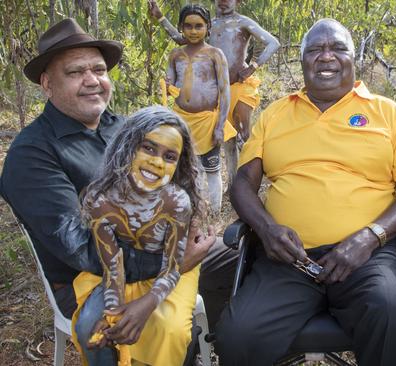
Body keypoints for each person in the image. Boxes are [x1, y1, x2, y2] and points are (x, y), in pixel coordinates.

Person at [0, 17, 236, 352]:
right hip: (94, 280)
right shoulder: (32, 154)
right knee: (138, 329)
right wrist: (172, 263)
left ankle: (215, 344)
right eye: (75, 72)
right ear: (47, 84)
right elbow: (80, 248)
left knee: (240, 258)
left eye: (98, 70)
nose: (92, 81)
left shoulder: (124, 127)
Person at [214, 19, 396, 366]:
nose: (326, 57)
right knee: (237, 336)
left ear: (354, 58)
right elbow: (242, 184)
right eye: (315, 49)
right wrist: (267, 230)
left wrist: (370, 237)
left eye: (337, 48)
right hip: (289, 259)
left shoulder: (387, 113)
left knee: (387, 310)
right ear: (302, 61)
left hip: (369, 257)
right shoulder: (276, 114)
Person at [72, 106, 203, 365]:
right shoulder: (100, 200)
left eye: (169, 156)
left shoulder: (176, 202)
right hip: (121, 272)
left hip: (171, 271)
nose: (156, 162)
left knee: (169, 330)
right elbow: (112, 266)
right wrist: (112, 311)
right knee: (91, 326)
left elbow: (173, 266)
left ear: (178, 164)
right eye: (149, 148)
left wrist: (148, 303)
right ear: (127, 146)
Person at [149, 0, 280, 190]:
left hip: (240, 86)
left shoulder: (242, 22)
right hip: (218, 92)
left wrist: (253, 67)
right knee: (227, 138)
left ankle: (256, 182)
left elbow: (273, 43)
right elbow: (182, 39)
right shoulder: (208, 25)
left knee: (244, 136)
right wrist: (161, 18)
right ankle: (234, 184)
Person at [165, 4, 231, 212]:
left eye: (198, 26)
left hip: (208, 122)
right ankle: (187, 209)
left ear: (208, 27)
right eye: (188, 26)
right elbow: (171, 86)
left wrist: (220, 125)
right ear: (181, 28)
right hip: (181, 120)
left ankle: (214, 212)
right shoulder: (176, 55)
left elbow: (225, 92)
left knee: (212, 168)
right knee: (183, 167)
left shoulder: (215, 54)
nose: (193, 31)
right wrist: (167, 87)